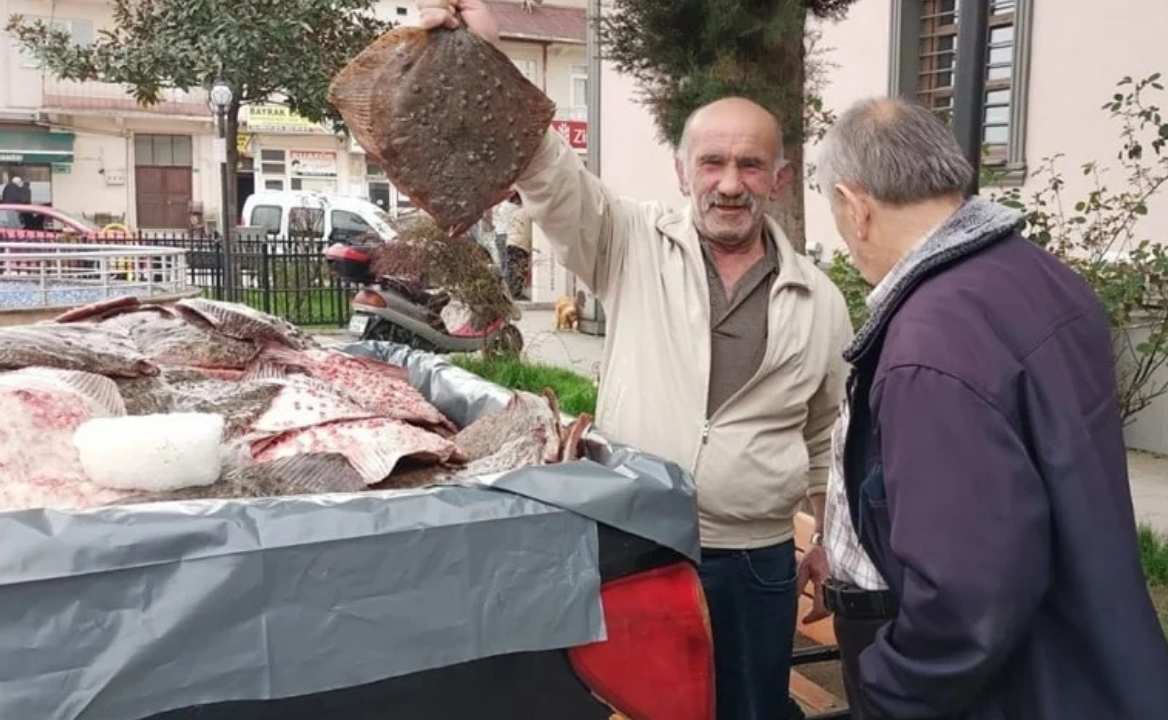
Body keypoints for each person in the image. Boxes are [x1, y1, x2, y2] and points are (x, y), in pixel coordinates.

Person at [417, 4, 853, 719]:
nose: (730, 182)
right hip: (640, 542)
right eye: (712, 162)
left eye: (750, 164)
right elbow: (553, 176)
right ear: (683, 172)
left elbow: (824, 436)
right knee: (648, 710)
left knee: (752, 709)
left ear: (779, 177)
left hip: (757, 562)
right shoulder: (629, 243)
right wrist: (489, 62)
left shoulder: (820, 300)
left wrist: (828, 538)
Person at [811, 96, 1168, 720]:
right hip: (1077, 647)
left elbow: (967, 599)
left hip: (989, 686)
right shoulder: (1044, 276)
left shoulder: (932, 344)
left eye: (837, 218)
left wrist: (891, 689)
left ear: (855, 205)